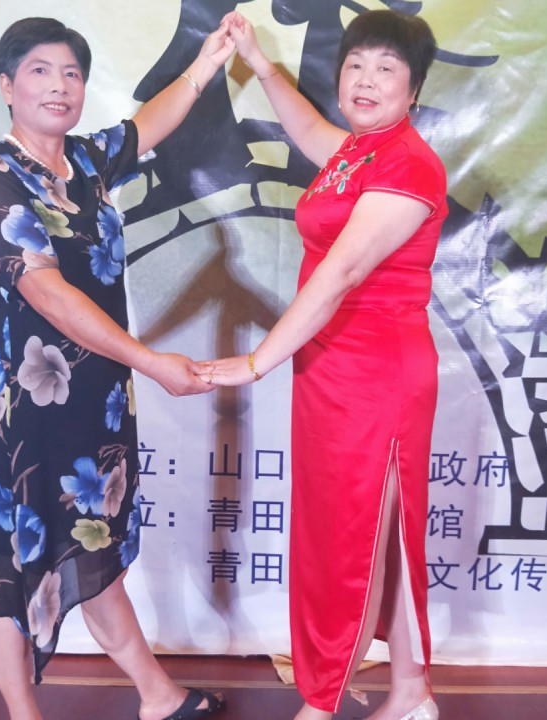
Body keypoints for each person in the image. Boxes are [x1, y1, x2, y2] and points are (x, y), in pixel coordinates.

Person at [0, 16, 234, 720]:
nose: (59, 85)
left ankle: (157, 696)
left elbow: (149, 124)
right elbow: (48, 294)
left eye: (72, 73)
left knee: (93, 543)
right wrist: (151, 362)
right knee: (11, 572)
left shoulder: (84, 161)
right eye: (40, 71)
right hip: (31, 411)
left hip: (100, 402)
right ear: (7, 86)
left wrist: (207, 63)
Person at [200, 10, 447, 720]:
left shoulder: (408, 164)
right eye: (355, 65)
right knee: (372, 536)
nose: (366, 80)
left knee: (352, 541)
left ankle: (323, 699)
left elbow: (340, 274)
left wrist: (256, 362)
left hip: (378, 376)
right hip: (330, 369)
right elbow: (308, 129)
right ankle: (410, 694)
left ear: (413, 90)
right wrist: (257, 60)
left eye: (386, 69)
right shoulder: (358, 152)